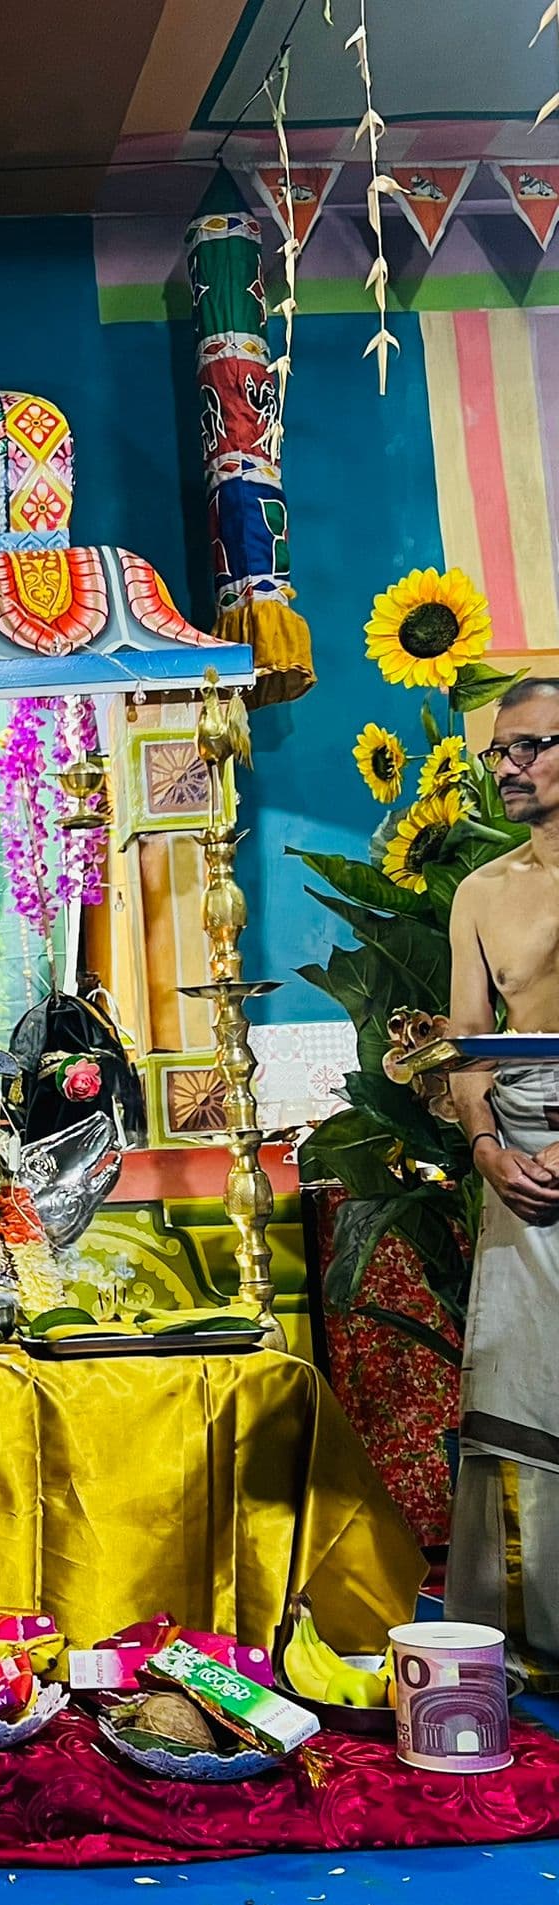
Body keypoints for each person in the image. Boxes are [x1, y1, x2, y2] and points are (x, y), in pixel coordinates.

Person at [445, 674, 559, 1675]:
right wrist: (486, 1147)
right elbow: (465, 1048)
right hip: (516, 1164)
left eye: (528, 746)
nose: (508, 768)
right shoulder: (480, 891)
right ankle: (541, 1641)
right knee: (523, 1389)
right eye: (498, 752)